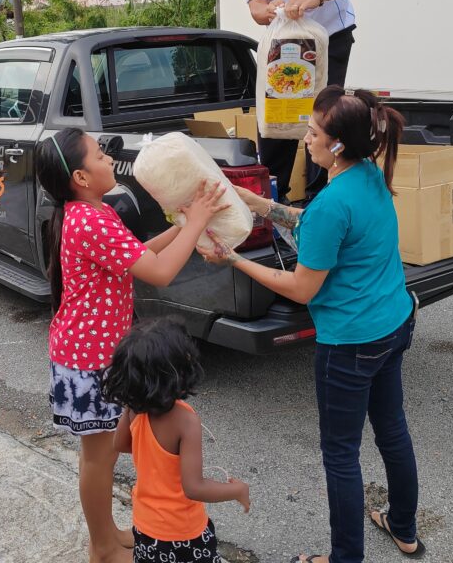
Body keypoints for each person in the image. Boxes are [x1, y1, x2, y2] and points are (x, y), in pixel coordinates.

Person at [198, 86, 424, 563]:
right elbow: (316, 224)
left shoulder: (332, 202)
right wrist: (253, 201)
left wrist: (232, 258)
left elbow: (302, 288)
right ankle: (403, 528)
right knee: (391, 429)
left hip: (351, 342)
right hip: (393, 324)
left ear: (337, 144)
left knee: (341, 454)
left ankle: (344, 559)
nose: (305, 139)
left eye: (313, 132)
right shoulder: (369, 176)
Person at [34, 127, 229, 563]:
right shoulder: (91, 218)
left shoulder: (88, 213)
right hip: (89, 361)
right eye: (100, 155)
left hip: (91, 356)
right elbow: (157, 272)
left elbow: (136, 254)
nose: (109, 160)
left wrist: (183, 227)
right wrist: (196, 220)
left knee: (101, 454)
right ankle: (102, 546)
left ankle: (106, 532)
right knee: (99, 458)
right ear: (81, 177)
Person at [215, 0, 372, 199]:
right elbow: (256, 8)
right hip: (283, 43)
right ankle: (272, 200)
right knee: (275, 120)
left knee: (324, 119)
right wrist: (267, 9)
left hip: (330, 38)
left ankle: (320, 199)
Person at [102, 318, 250, 562]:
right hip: (184, 533)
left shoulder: (136, 409)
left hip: (145, 527)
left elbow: (120, 445)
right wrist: (237, 490)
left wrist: (132, 406)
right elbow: (194, 488)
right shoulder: (186, 421)